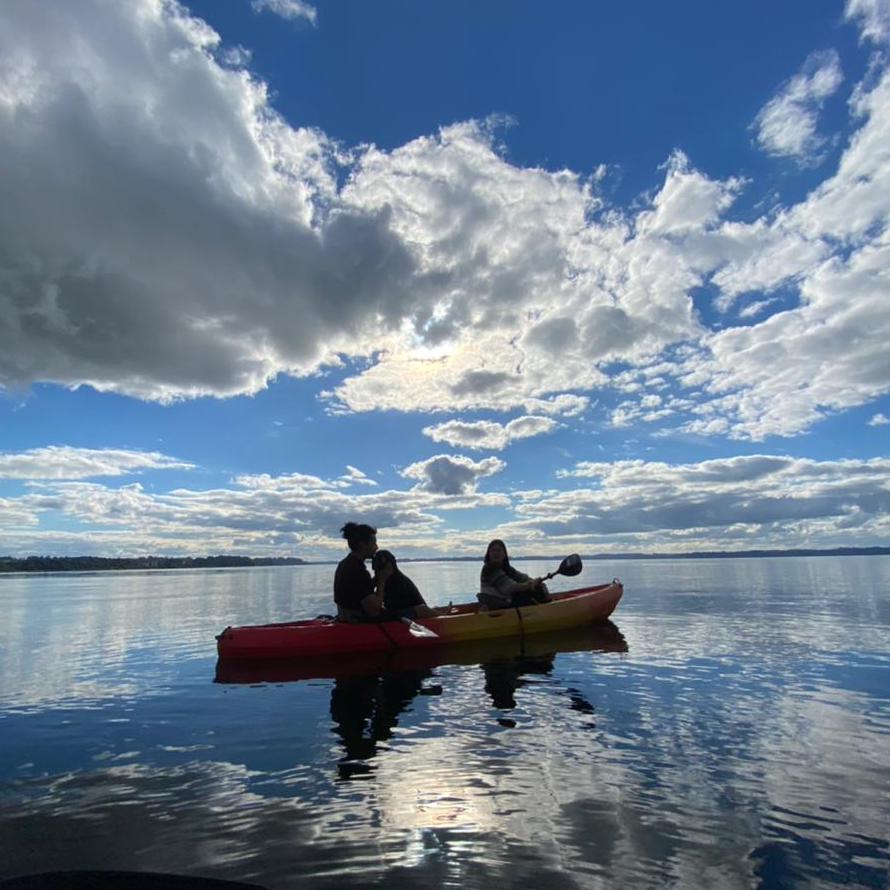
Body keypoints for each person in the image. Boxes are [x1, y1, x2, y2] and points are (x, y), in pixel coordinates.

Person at [333, 522, 390, 623]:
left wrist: (376, 578)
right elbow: (374, 610)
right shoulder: (358, 571)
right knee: (420, 610)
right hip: (358, 622)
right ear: (362, 544)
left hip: (345, 617)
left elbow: (360, 590)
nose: (376, 547)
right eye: (373, 543)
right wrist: (382, 580)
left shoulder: (345, 564)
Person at [478, 539, 550, 610]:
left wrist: (537, 582)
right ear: (489, 554)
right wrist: (531, 584)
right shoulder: (490, 568)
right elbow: (510, 587)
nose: (495, 553)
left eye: (498, 550)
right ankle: (545, 609)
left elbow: (522, 577)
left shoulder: (507, 569)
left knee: (538, 588)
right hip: (495, 604)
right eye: (492, 551)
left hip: (504, 601)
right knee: (536, 592)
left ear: (504, 554)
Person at [371, 550, 437, 619]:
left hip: (408, 612)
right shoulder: (382, 579)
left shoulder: (397, 582)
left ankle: (443, 615)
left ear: (389, 565)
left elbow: (380, 606)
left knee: (422, 609)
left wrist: (381, 581)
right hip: (399, 611)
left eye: (378, 566)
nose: (375, 570)